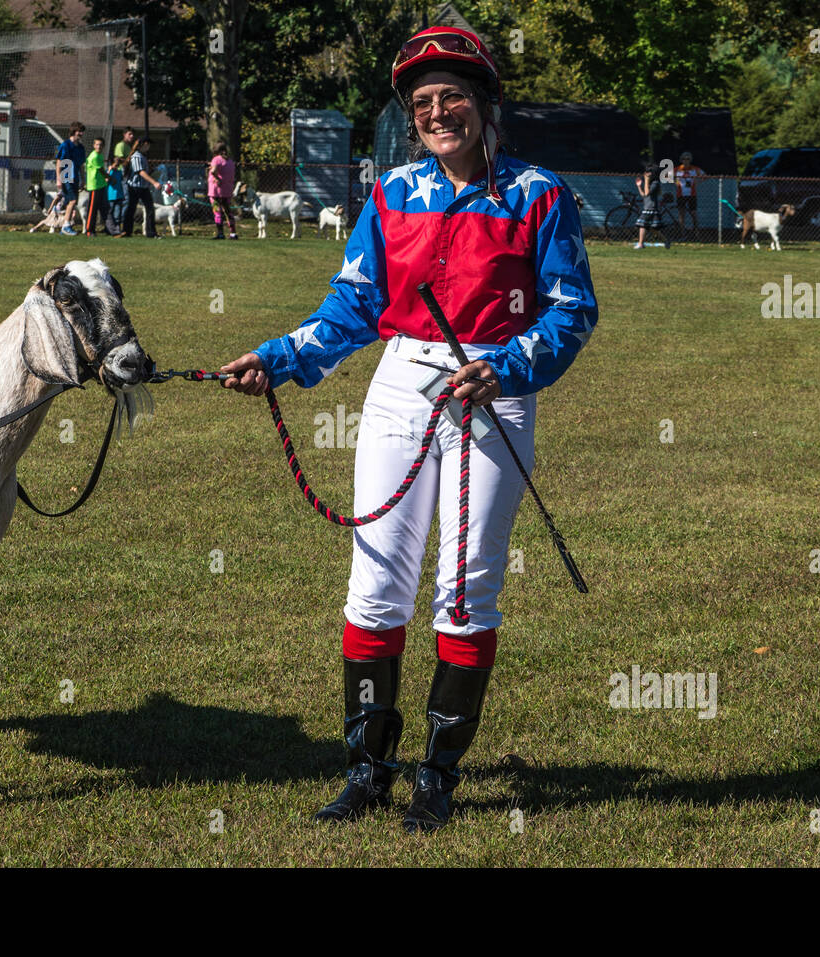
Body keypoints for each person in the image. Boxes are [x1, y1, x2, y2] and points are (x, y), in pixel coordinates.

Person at [220, 25, 597, 833]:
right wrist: (278, 358)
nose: (437, 112)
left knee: (464, 592)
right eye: (422, 102)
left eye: (452, 96)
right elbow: (354, 306)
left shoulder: (539, 193)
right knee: (376, 585)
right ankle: (367, 770)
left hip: (492, 391)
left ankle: (438, 775)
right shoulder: (392, 194)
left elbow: (572, 311)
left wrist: (510, 363)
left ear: (484, 102)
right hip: (401, 386)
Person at [118, 138, 161, 238]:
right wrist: (154, 182)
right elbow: (140, 172)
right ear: (142, 145)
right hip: (134, 187)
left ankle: (151, 233)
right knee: (131, 209)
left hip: (143, 186)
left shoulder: (143, 156)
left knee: (150, 208)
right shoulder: (136, 156)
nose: (148, 147)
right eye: (147, 144)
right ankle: (126, 231)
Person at [54, 121, 86, 236]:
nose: (81, 134)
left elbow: (81, 165)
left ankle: (64, 226)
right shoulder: (66, 145)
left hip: (75, 177)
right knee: (72, 201)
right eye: (79, 131)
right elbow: (59, 161)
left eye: (82, 131)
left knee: (71, 202)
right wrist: (59, 178)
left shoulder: (81, 148)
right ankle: (66, 226)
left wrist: (83, 179)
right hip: (66, 176)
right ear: (74, 131)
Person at [207, 142, 238, 239]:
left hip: (216, 190)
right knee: (228, 211)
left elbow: (213, 171)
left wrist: (218, 178)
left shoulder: (216, 159)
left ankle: (220, 233)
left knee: (217, 211)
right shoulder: (230, 161)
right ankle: (233, 233)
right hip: (227, 190)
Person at [83, 136, 111, 236]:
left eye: (100, 145)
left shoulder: (100, 156)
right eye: (97, 144)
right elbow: (101, 170)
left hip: (101, 185)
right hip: (95, 186)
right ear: (94, 145)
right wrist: (110, 178)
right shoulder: (94, 156)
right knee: (92, 209)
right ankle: (89, 230)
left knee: (104, 208)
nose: (98, 146)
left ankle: (109, 229)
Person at [634, 163, 662, 249]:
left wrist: (646, 181)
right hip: (646, 207)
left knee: (643, 225)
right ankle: (665, 241)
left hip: (652, 208)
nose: (646, 174)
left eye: (649, 172)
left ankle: (640, 244)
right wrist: (639, 186)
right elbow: (644, 195)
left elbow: (647, 193)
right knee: (650, 227)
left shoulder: (655, 183)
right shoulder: (649, 183)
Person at [673, 151, 703, 231]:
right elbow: (667, 176)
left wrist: (697, 181)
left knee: (693, 213)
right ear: (681, 160)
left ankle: (696, 230)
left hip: (692, 194)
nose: (686, 161)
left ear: (690, 160)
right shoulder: (677, 169)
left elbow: (704, 176)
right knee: (682, 214)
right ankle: (682, 231)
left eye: (688, 159)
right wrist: (675, 182)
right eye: (684, 159)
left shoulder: (695, 169)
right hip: (681, 194)